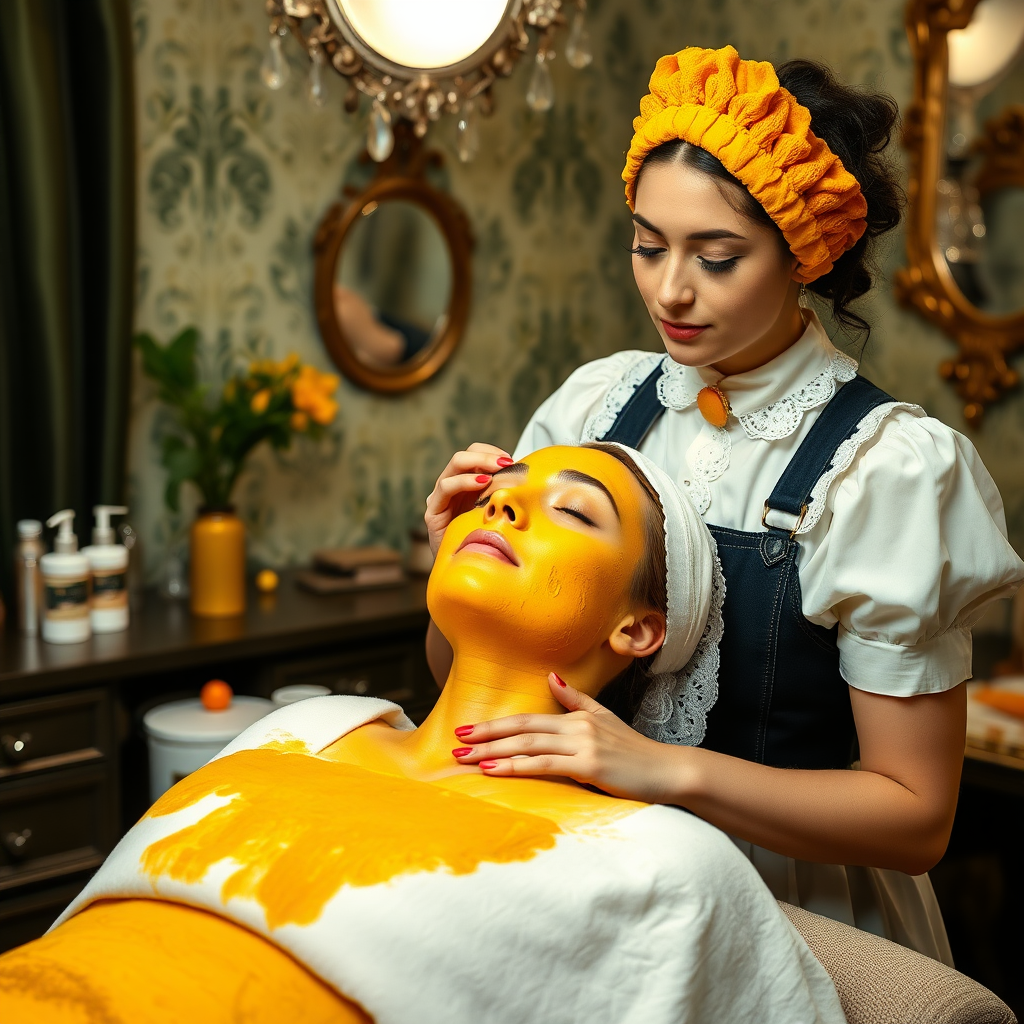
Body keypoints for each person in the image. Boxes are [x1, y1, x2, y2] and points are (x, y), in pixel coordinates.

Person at [424, 45, 1024, 963]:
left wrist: (662, 770)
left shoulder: (889, 471)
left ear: (803, 255)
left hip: (797, 920)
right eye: (647, 244)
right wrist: (459, 568)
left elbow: (914, 819)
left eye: (717, 257)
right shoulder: (594, 407)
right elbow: (475, 689)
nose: (671, 289)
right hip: (593, 888)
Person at [0, 444, 845, 1024]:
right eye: (503, 487)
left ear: (637, 630)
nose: (505, 499)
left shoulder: (660, 860)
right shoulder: (309, 725)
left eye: (575, 513)